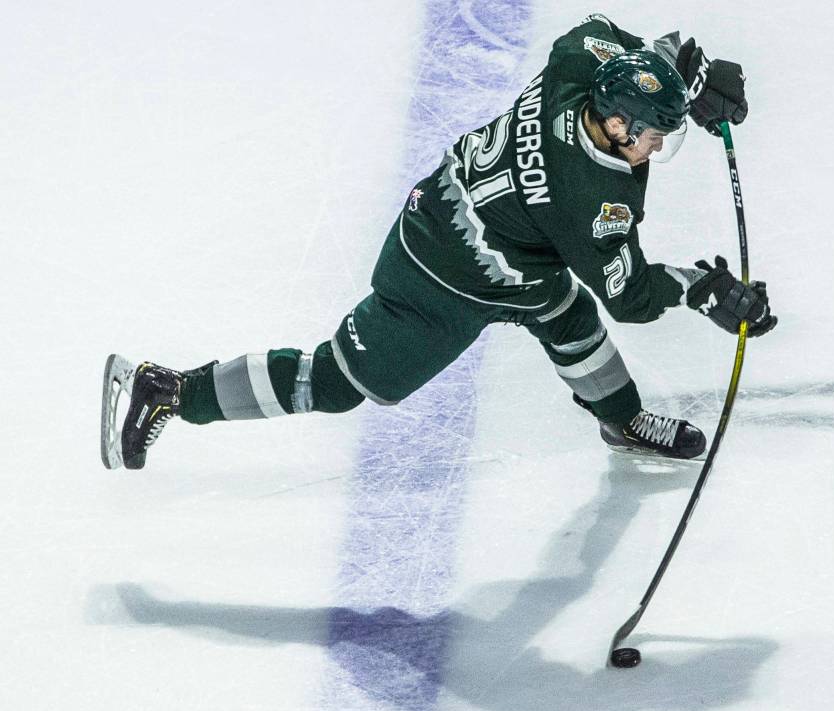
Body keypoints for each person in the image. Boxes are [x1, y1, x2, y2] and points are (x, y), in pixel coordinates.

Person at [100, 13, 776, 471]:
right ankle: (169, 389)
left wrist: (680, 72)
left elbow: (609, 37)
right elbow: (629, 296)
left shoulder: (578, 65)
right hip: (443, 283)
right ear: (621, 126)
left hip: (473, 226)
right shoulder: (594, 201)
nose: (659, 147)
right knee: (333, 381)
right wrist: (702, 286)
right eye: (657, 134)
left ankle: (621, 419)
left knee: (566, 316)